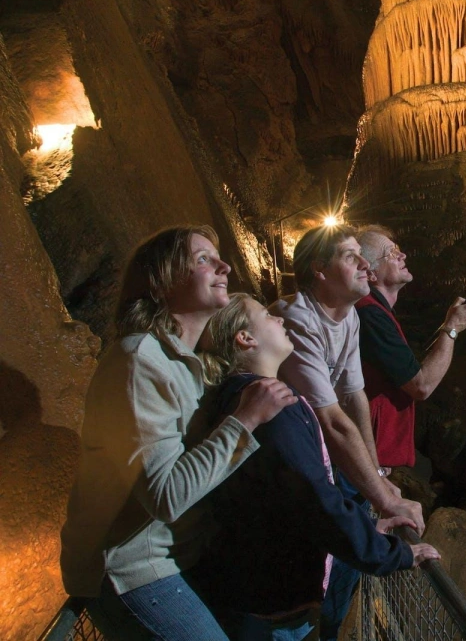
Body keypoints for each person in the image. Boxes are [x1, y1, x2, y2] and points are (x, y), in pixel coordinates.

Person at [60, 225, 298, 641]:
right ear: (163, 279)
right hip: (131, 566)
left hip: (184, 554)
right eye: (203, 259)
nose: (224, 265)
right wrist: (246, 420)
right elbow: (167, 496)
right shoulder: (140, 362)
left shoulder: (187, 364)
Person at [194, 293, 440, 641]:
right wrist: (393, 554)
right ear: (245, 338)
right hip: (273, 604)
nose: (278, 318)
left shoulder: (247, 398)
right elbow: (316, 499)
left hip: (258, 588)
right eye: (266, 315)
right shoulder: (271, 406)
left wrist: (370, 530)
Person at [269, 224, 424, 641]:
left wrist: (372, 473)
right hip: (279, 474)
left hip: (314, 463)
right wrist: (386, 497)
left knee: (341, 558)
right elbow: (333, 420)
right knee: (296, 580)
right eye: (349, 256)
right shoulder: (296, 318)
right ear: (319, 269)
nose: (363, 264)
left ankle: (327, 629)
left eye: (362, 255)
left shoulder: (349, 318)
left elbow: (354, 398)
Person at [355, 225, 466, 470]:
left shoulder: (375, 311)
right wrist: (451, 329)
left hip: (368, 449)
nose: (402, 256)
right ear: (370, 273)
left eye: (398, 250)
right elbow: (421, 386)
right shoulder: (370, 315)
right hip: (365, 457)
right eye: (390, 253)